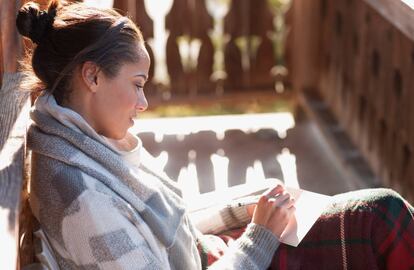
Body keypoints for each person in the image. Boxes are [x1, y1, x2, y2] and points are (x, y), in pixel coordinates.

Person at [16, 1, 413, 269]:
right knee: (383, 219)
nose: (143, 103)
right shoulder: (78, 199)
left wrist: (242, 208)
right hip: (225, 258)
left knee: (381, 216)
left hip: (210, 252)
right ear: (92, 75)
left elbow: (168, 224)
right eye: (137, 84)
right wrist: (259, 235)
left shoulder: (76, 142)